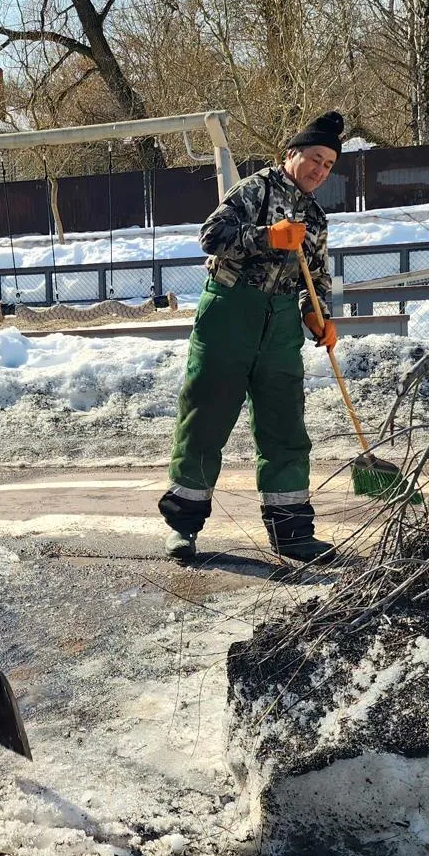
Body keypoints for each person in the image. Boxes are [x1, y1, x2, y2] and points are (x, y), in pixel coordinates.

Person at [159, 111, 344, 565]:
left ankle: (292, 533)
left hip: (280, 324)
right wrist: (266, 237)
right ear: (292, 154)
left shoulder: (316, 216)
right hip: (229, 312)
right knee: (206, 418)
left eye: (329, 165)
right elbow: (210, 235)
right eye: (315, 159)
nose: (320, 171)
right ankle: (183, 527)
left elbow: (316, 275)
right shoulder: (253, 190)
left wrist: (320, 316)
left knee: (284, 426)